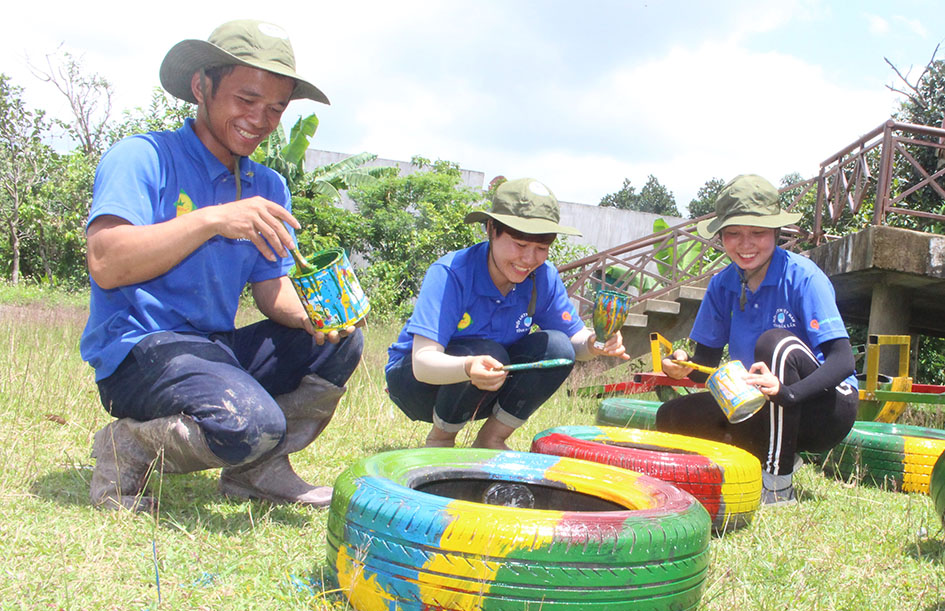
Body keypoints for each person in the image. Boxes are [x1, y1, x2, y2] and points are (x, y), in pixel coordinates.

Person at [81, 19, 363, 512]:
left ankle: (257, 471)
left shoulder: (268, 186)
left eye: (275, 108)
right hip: (138, 352)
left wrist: (317, 315)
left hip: (213, 349)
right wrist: (212, 220)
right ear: (201, 87)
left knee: (341, 342)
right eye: (246, 99)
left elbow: (271, 289)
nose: (260, 119)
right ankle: (126, 449)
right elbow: (105, 261)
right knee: (251, 423)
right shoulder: (143, 158)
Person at [656, 174, 858, 505]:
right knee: (671, 416)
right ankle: (762, 457)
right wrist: (682, 367)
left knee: (775, 345)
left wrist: (789, 393)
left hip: (827, 408)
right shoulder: (722, 285)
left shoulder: (804, 277)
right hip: (763, 403)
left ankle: (777, 486)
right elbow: (704, 364)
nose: (745, 244)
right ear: (721, 236)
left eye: (757, 233)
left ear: (776, 234)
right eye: (733, 233)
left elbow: (842, 360)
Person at [385, 178, 629, 450]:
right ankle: (440, 440)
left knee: (558, 348)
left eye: (541, 248)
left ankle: (491, 439)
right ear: (491, 229)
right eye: (520, 245)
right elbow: (422, 363)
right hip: (418, 386)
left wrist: (594, 343)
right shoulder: (451, 273)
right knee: (489, 352)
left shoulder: (542, 278)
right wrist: (468, 367)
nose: (529, 259)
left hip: (486, 386)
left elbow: (574, 343)